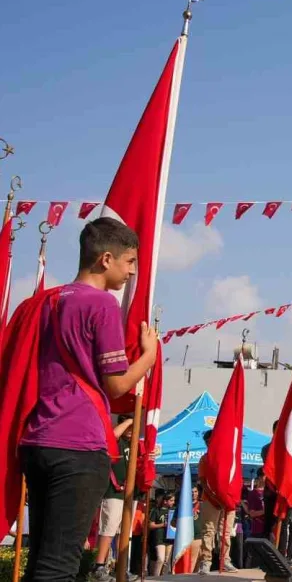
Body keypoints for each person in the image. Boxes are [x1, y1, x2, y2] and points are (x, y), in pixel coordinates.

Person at [13, 218, 159, 582]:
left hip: (37, 438)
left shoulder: (44, 301)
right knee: (60, 565)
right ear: (106, 259)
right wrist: (148, 357)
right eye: (129, 262)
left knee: (42, 559)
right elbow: (115, 385)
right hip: (77, 442)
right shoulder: (101, 304)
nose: (131, 272)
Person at [89, 416, 136, 582]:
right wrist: (129, 422)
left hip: (129, 494)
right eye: (128, 426)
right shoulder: (118, 442)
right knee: (108, 529)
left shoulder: (135, 444)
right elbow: (113, 435)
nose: (131, 430)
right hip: (113, 492)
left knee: (123, 533)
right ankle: (99, 565)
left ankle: (121, 567)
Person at [197, 430, 237, 574]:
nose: (209, 444)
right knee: (208, 530)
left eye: (211, 440)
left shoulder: (228, 457)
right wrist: (214, 498)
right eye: (207, 442)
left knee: (225, 532)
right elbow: (203, 482)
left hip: (227, 500)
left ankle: (225, 559)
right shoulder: (205, 459)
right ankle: (206, 561)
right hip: (210, 500)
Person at [147, 492, 173, 576]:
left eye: (174, 500)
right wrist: (163, 524)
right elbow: (151, 525)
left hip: (169, 538)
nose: (173, 502)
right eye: (171, 500)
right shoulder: (156, 510)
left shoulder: (172, 511)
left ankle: (164, 577)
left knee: (167, 561)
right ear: (165, 501)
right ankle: (156, 577)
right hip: (159, 538)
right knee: (161, 559)